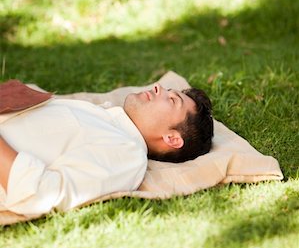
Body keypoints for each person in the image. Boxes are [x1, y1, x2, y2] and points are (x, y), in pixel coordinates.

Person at [0, 83, 213, 216]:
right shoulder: (103, 117)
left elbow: (40, 193)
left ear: (172, 138)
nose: (158, 87)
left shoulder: (127, 154)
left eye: (172, 99)